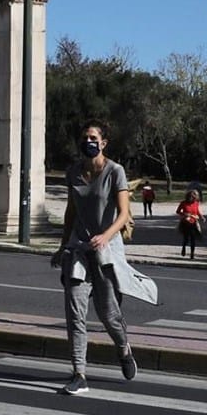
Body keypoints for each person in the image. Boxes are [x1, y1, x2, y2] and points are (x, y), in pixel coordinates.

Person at [52, 121, 159, 395]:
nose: (88, 141)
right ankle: (79, 373)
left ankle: (123, 349)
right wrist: (62, 247)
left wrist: (106, 235)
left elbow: (123, 213)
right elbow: (70, 212)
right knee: (75, 314)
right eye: (84, 137)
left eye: (93, 137)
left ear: (103, 142)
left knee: (108, 314)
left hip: (106, 251)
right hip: (78, 250)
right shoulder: (73, 172)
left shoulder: (115, 171)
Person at [176, 189, 203, 259]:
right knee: (186, 239)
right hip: (185, 223)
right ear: (188, 197)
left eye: (195, 198)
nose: (193, 199)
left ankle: (192, 253)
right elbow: (178, 211)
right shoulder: (183, 203)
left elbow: (197, 211)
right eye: (192, 198)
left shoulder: (196, 203)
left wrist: (202, 217)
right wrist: (184, 214)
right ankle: (184, 247)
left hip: (193, 223)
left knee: (193, 239)